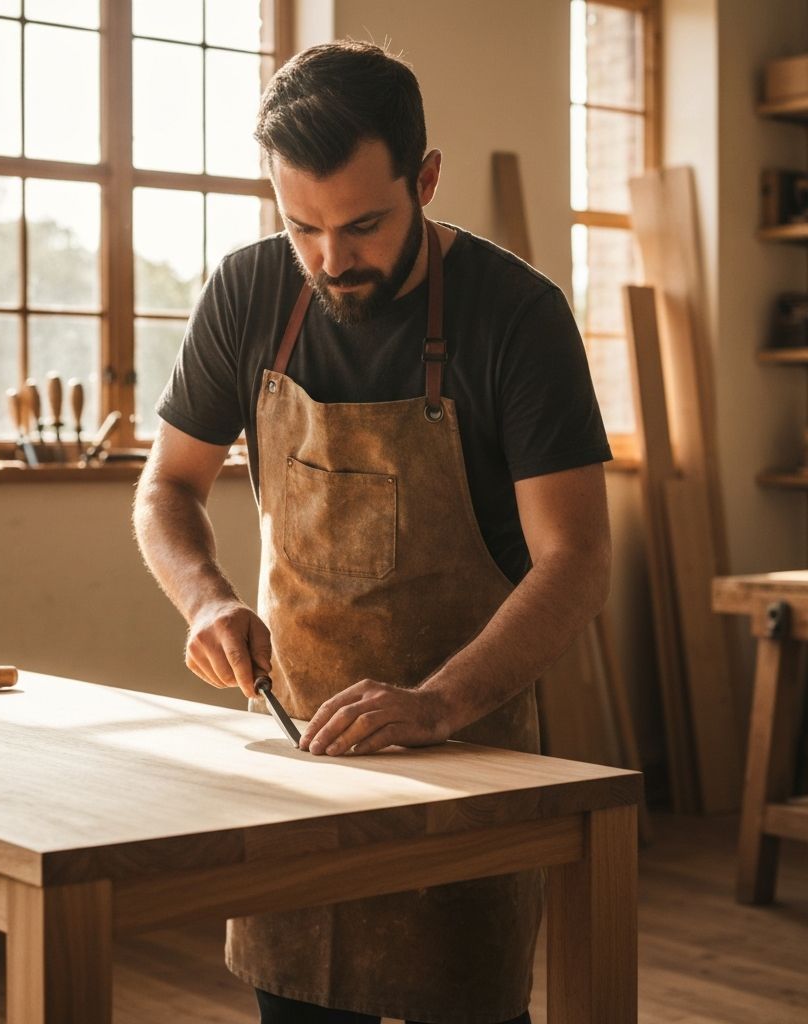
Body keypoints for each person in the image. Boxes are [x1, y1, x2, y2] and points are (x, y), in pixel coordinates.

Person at [133, 39, 612, 1024]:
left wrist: (438, 703)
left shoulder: (516, 316)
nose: (329, 259)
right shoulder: (249, 293)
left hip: (467, 751)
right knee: (300, 1000)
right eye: (301, 226)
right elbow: (165, 491)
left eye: (361, 225)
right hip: (302, 749)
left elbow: (575, 557)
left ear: (425, 177)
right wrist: (205, 596)